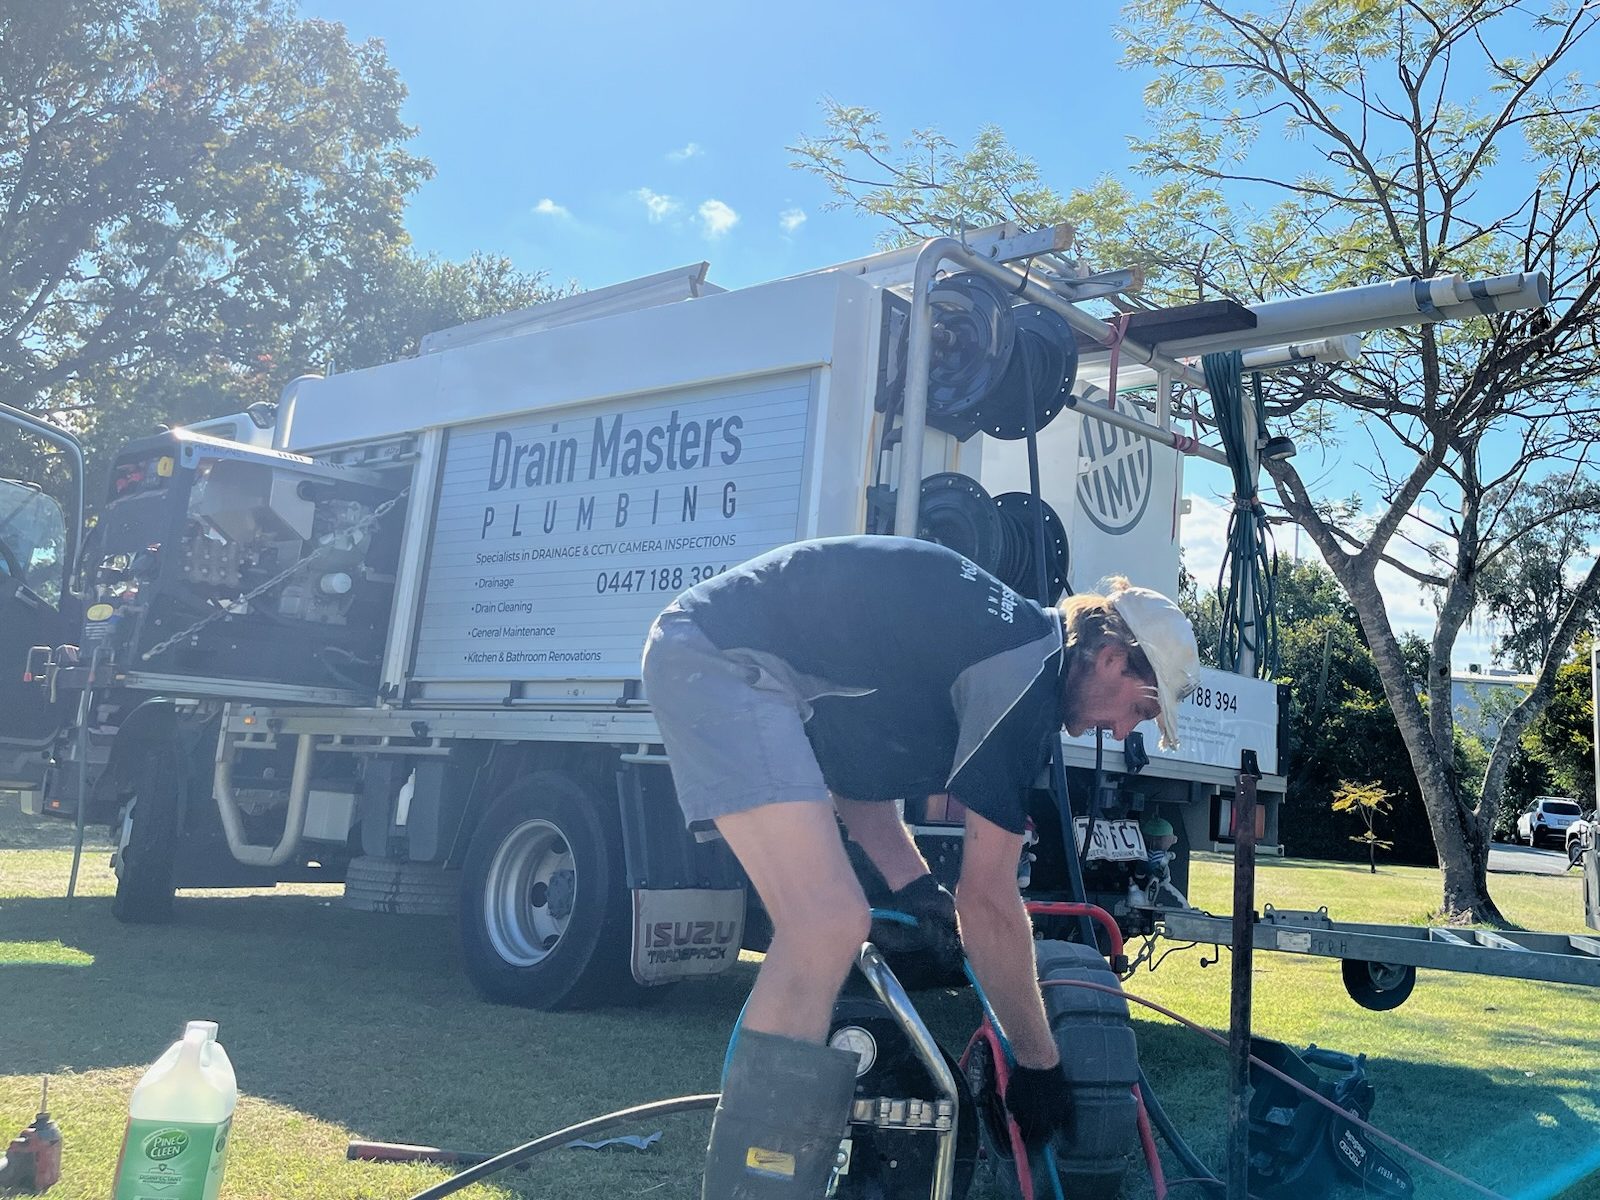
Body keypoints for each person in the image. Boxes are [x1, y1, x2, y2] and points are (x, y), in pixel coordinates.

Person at [640, 534, 1200, 1199]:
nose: (1122, 733)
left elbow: (857, 777)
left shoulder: (1000, 647)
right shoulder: (1022, 670)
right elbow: (988, 901)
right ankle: (754, 1188)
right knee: (825, 923)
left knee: (830, 921)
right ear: (1110, 659)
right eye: (1139, 710)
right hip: (721, 657)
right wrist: (1038, 1063)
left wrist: (914, 886)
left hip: (730, 657)